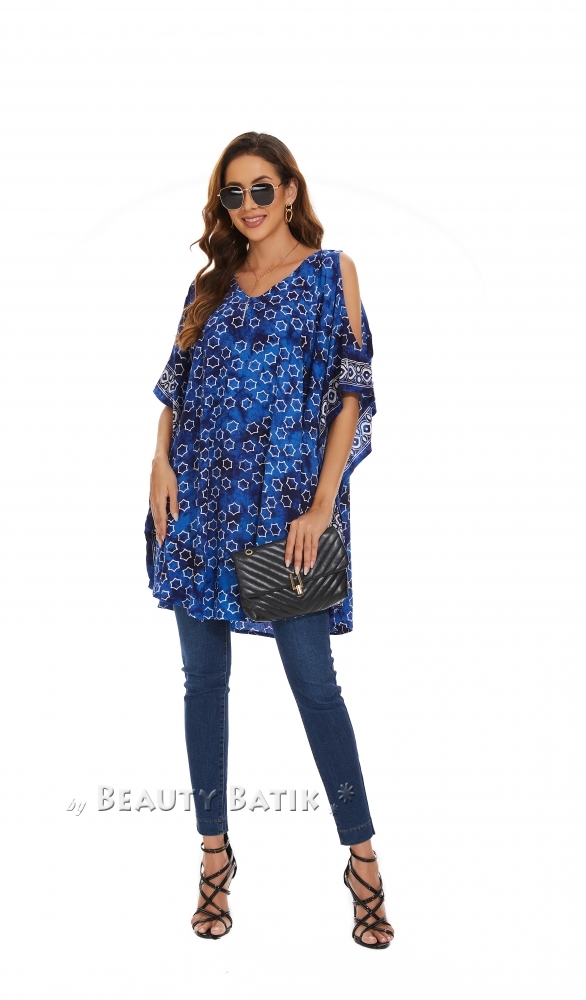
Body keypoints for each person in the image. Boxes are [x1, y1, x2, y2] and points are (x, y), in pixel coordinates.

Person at [144, 132, 394, 948]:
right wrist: (157, 465)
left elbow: (351, 390)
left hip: (286, 518)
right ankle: (213, 857)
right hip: (197, 511)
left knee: (314, 686)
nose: (247, 205)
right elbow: (175, 389)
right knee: (202, 684)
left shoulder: (330, 274)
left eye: (261, 189)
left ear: (289, 190)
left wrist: (321, 507)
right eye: (232, 193)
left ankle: (361, 859)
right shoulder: (208, 286)